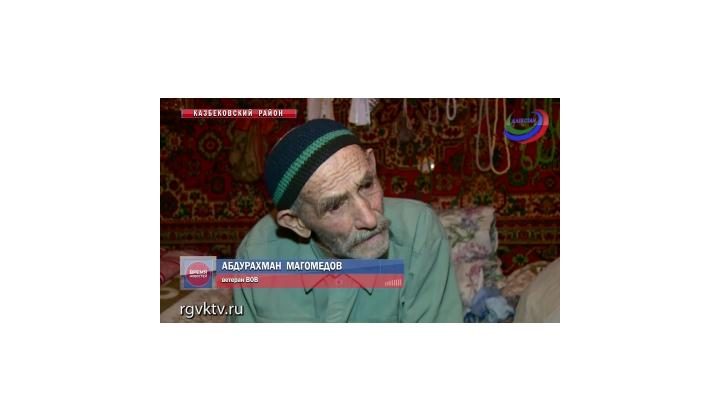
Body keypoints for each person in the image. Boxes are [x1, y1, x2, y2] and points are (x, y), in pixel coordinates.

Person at [228, 119, 462, 322]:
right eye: (335, 206)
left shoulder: (418, 231)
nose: (370, 219)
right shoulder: (256, 255)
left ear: (371, 165)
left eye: (367, 185)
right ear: (295, 222)